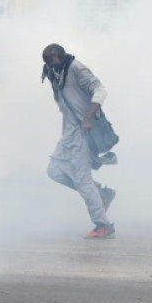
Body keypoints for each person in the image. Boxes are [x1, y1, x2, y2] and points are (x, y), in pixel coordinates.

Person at [41, 43, 116, 239]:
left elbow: (100, 91)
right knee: (54, 171)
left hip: (84, 132)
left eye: (51, 61)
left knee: (82, 179)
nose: (48, 65)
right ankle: (101, 194)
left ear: (62, 56)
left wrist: (88, 118)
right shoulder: (54, 70)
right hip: (69, 132)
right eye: (45, 62)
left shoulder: (76, 69)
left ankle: (103, 225)